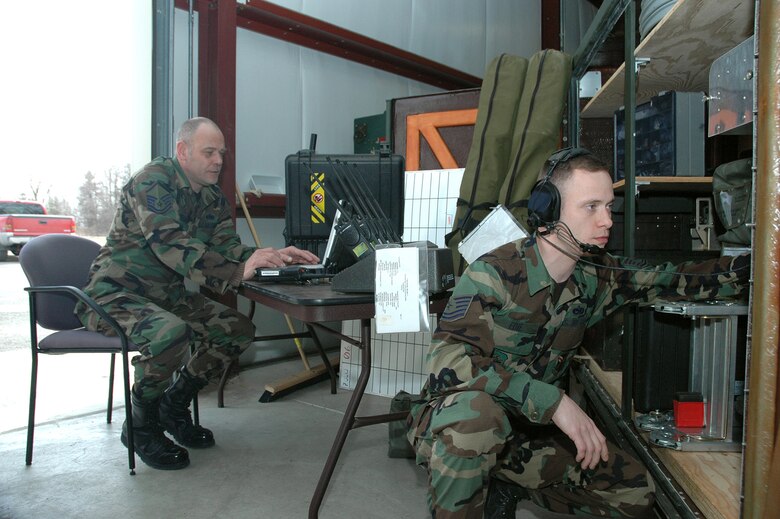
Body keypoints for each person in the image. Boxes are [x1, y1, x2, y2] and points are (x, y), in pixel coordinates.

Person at [406, 148, 750, 518]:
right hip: (460, 424)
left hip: (527, 436)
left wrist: (758, 268)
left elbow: (676, 278)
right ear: (548, 212)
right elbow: (448, 361)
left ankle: (503, 484)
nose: (607, 221)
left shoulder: (596, 275)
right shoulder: (492, 274)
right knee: (478, 416)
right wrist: (552, 400)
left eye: (609, 207)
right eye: (591, 207)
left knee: (633, 488)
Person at [76, 116, 319, 470]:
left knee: (235, 330)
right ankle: (141, 424)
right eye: (209, 152)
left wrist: (271, 256)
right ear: (182, 151)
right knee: (170, 334)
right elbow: (170, 244)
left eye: (221, 153)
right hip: (114, 294)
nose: (218, 160)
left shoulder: (212, 199)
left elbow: (228, 248)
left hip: (164, 295)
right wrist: (238, 271)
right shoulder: (154, 181)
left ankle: (173, 406)